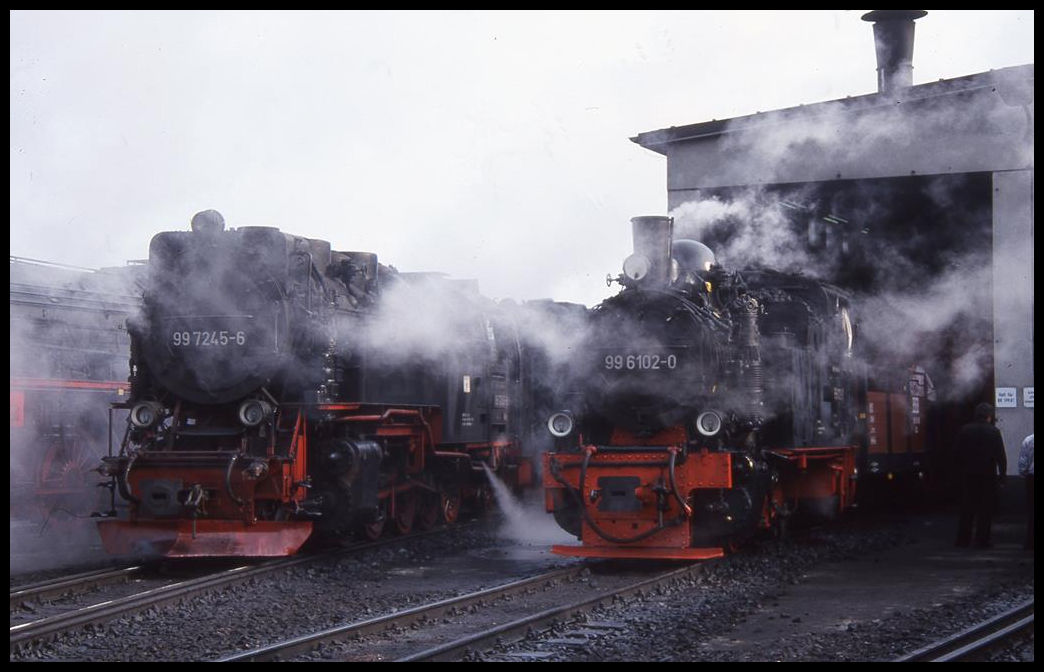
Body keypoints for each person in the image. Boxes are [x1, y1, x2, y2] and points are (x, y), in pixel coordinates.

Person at [953, 402, 1007, 548]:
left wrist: (958, 472)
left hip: (968, 474)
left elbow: (956, 453)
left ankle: (963, 539)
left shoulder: (965, 430)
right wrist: (1002, 476)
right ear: (989, 416)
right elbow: (1001, 456)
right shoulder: (994, 432)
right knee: (985, 509)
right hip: (987, 475)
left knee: (967, 507)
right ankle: (982, 540)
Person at [1018, 433, 1033, 550]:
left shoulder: (1029, 440)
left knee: (1032, 510)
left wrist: (1023, 472)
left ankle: (1030, 541)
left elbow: (1023, 460)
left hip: (1032, 477)